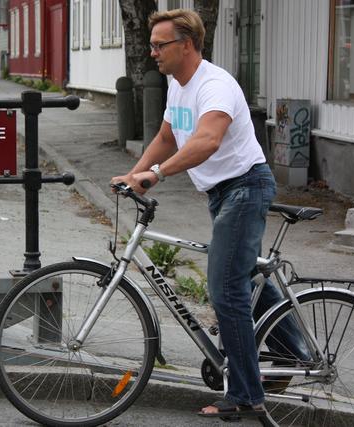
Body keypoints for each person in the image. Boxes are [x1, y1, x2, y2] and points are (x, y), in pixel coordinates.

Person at [110, 8, 294, 418]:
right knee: (245, 276)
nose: (152, 53)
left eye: (160, 45)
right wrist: (135, 174)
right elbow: (167, 136)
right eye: (152, 45)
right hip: (221, 192)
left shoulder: (215, 85)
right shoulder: (177, 85)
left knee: (226, 288)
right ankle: (293, 352)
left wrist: (156, 175)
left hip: (245, 187)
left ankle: (245, 396)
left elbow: (207, 140)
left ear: (187, 45)